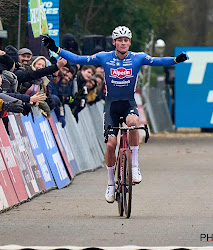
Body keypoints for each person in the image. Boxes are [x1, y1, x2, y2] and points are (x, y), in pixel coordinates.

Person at [42, 26, 189, 203]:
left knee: (133, 122)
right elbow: (77, 58)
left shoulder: (138, 57)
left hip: (128, 103)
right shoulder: (105, 57)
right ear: (114, 42)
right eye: (120, 40)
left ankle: (134, 166)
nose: (123, 43)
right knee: (111, 145)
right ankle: (111, 183)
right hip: (111, 105)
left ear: (130, 42)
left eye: (126, 40)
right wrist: (55, 48)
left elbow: (159, 61)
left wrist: (176, 60)